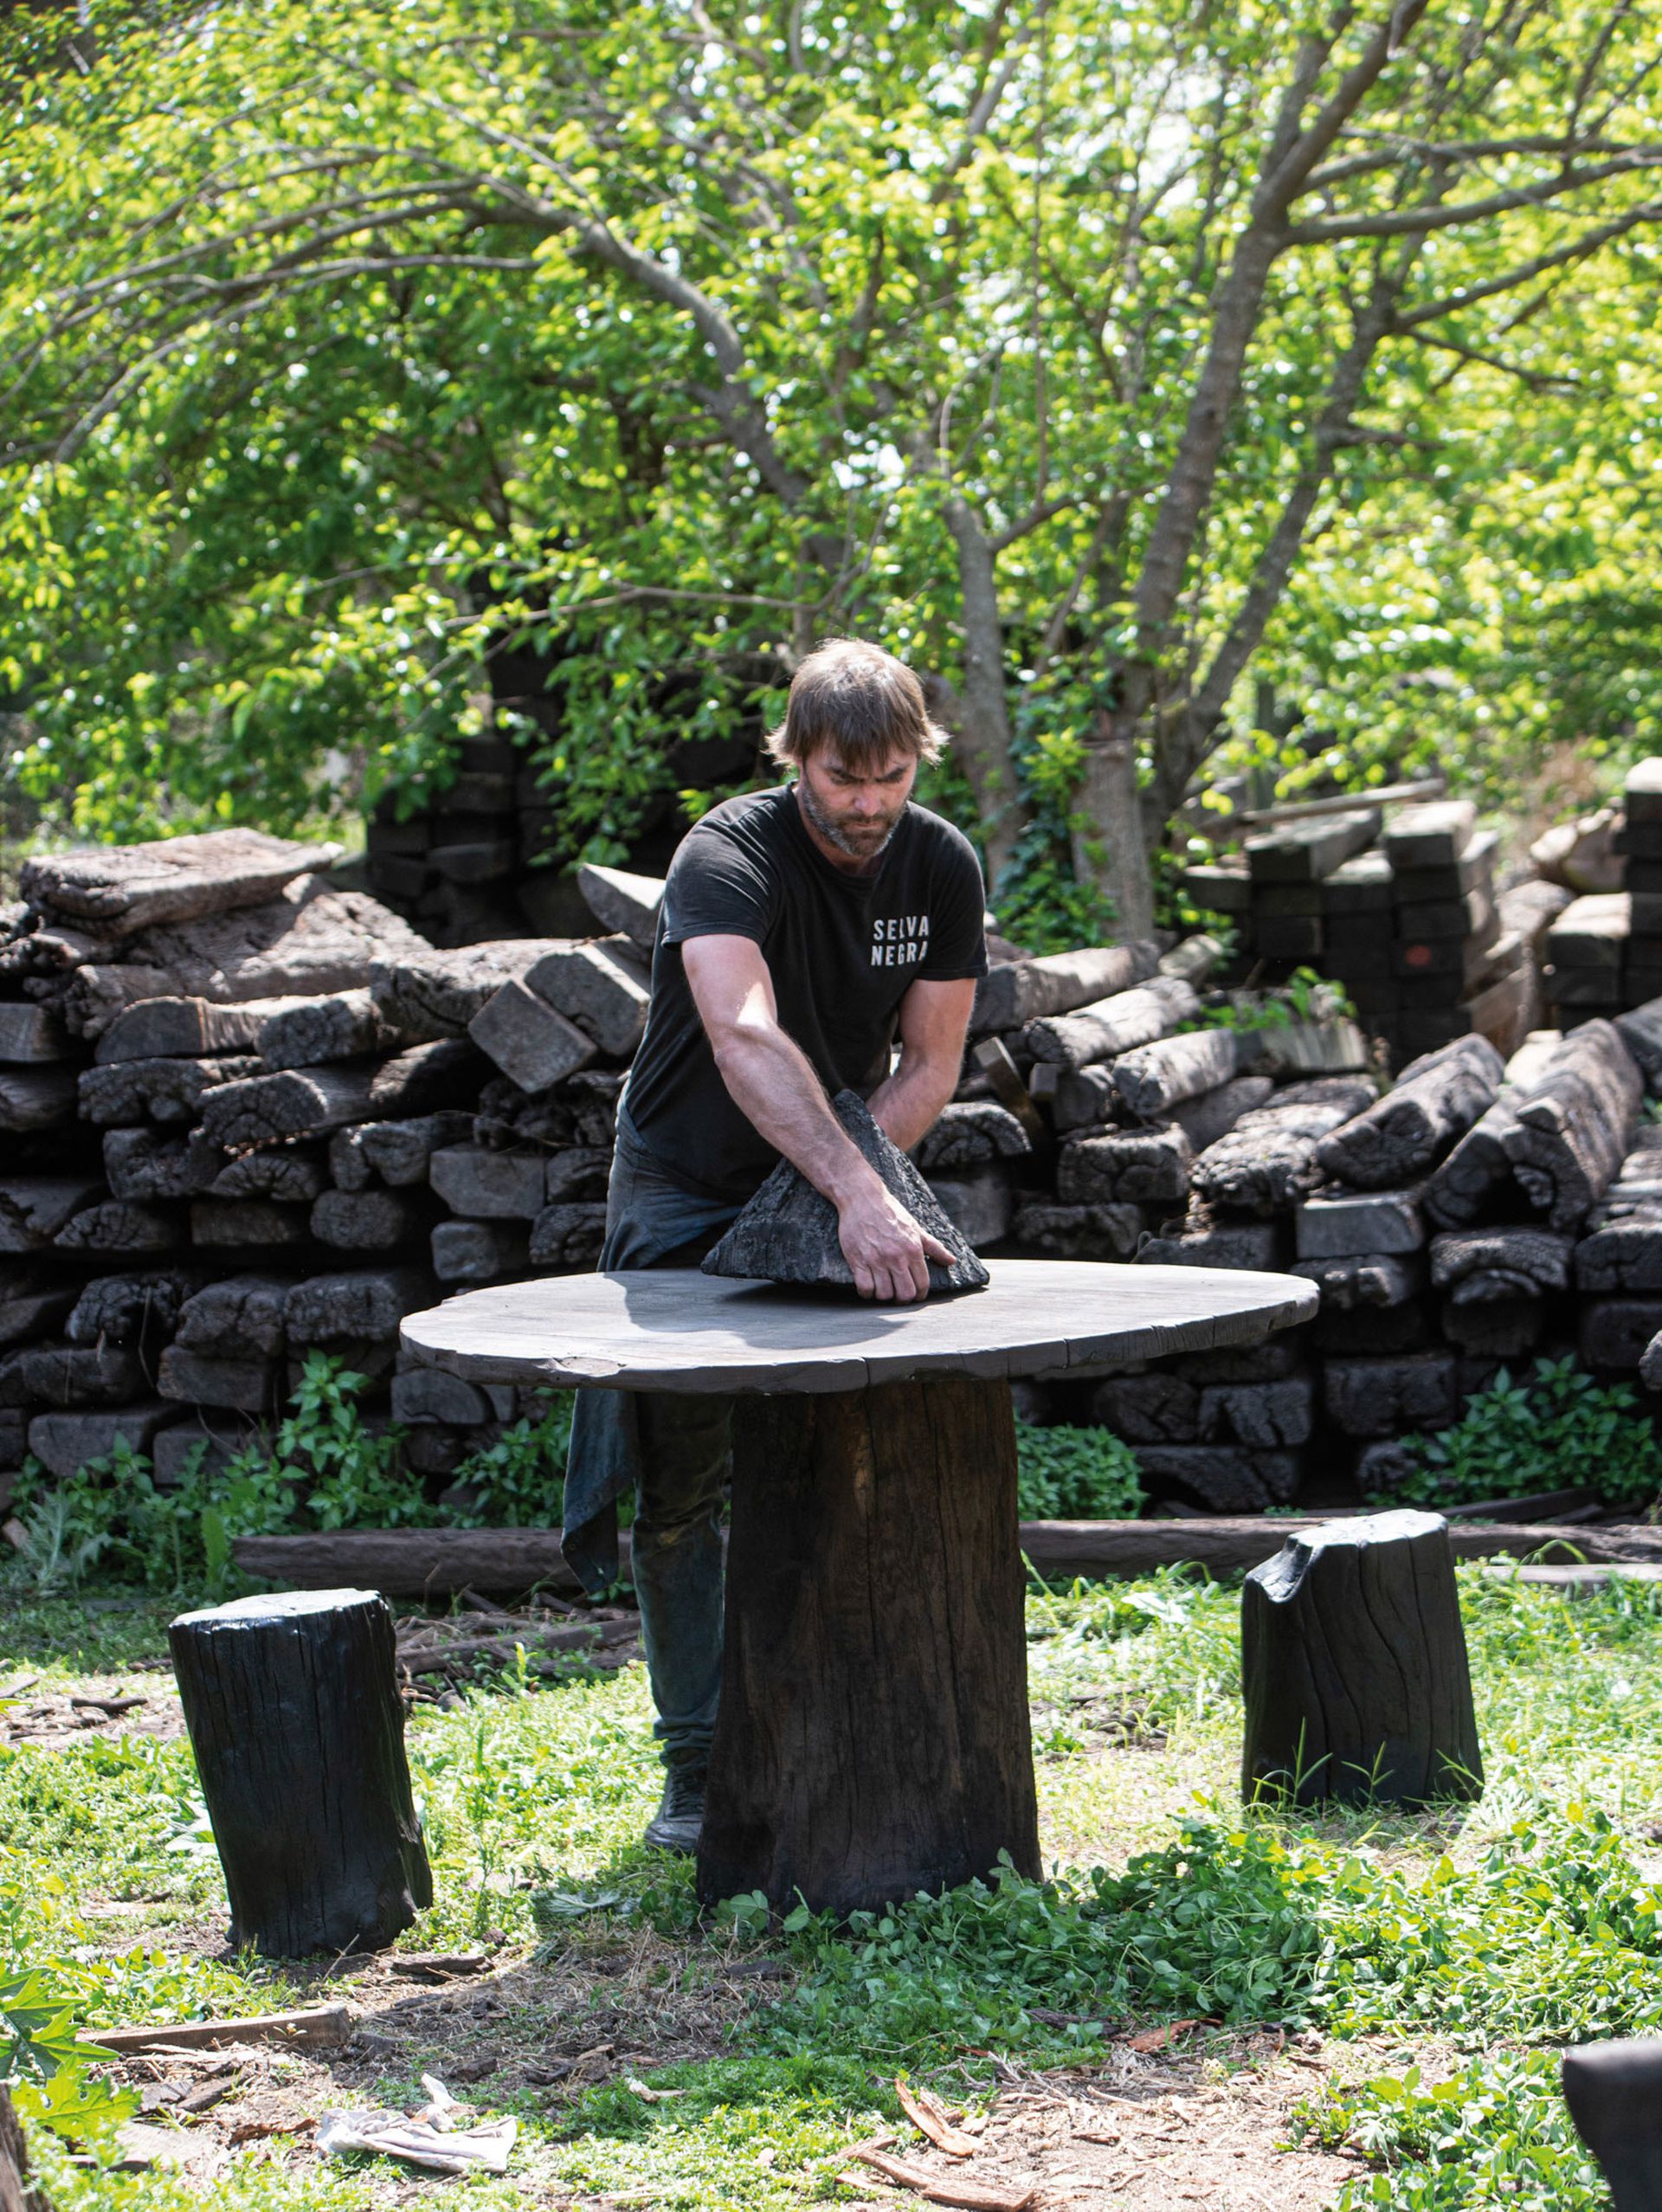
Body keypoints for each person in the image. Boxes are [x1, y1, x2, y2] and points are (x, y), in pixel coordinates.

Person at [559, 637, 989, 1851]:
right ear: (792, 755)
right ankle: (696, 1773)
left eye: (891, 777)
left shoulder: (940, 864)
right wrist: (851, 1189)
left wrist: (846, 1190)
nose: (866, 805)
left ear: (919, 762)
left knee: (845, 1436)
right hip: (686, 1185)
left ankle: (854, 1733)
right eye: (842, 778)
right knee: (678, 1482)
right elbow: (742, 1033)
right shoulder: (727, 854)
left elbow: (933, 1062)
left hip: (841, 1173)